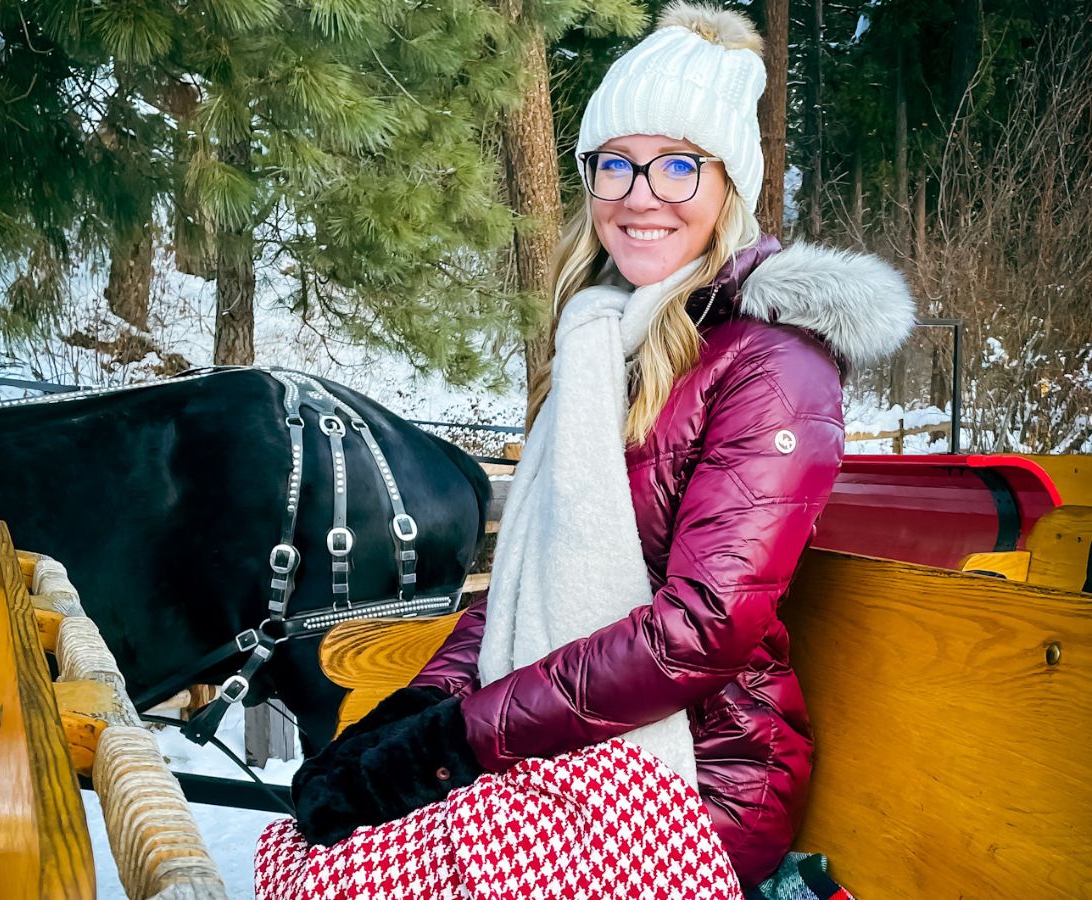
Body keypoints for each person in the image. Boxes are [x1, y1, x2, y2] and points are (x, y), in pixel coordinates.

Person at [261, 2, 914, 895]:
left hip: (700, 780)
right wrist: (422, 707)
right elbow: (529, 582)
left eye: (679, 165)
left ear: (732, 186)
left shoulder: (775, 365)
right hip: (573, 744)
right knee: (316, 853)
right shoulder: (604, 341)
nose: (641, 195)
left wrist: (455, 742)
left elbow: (701, 630)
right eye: (617, 164)